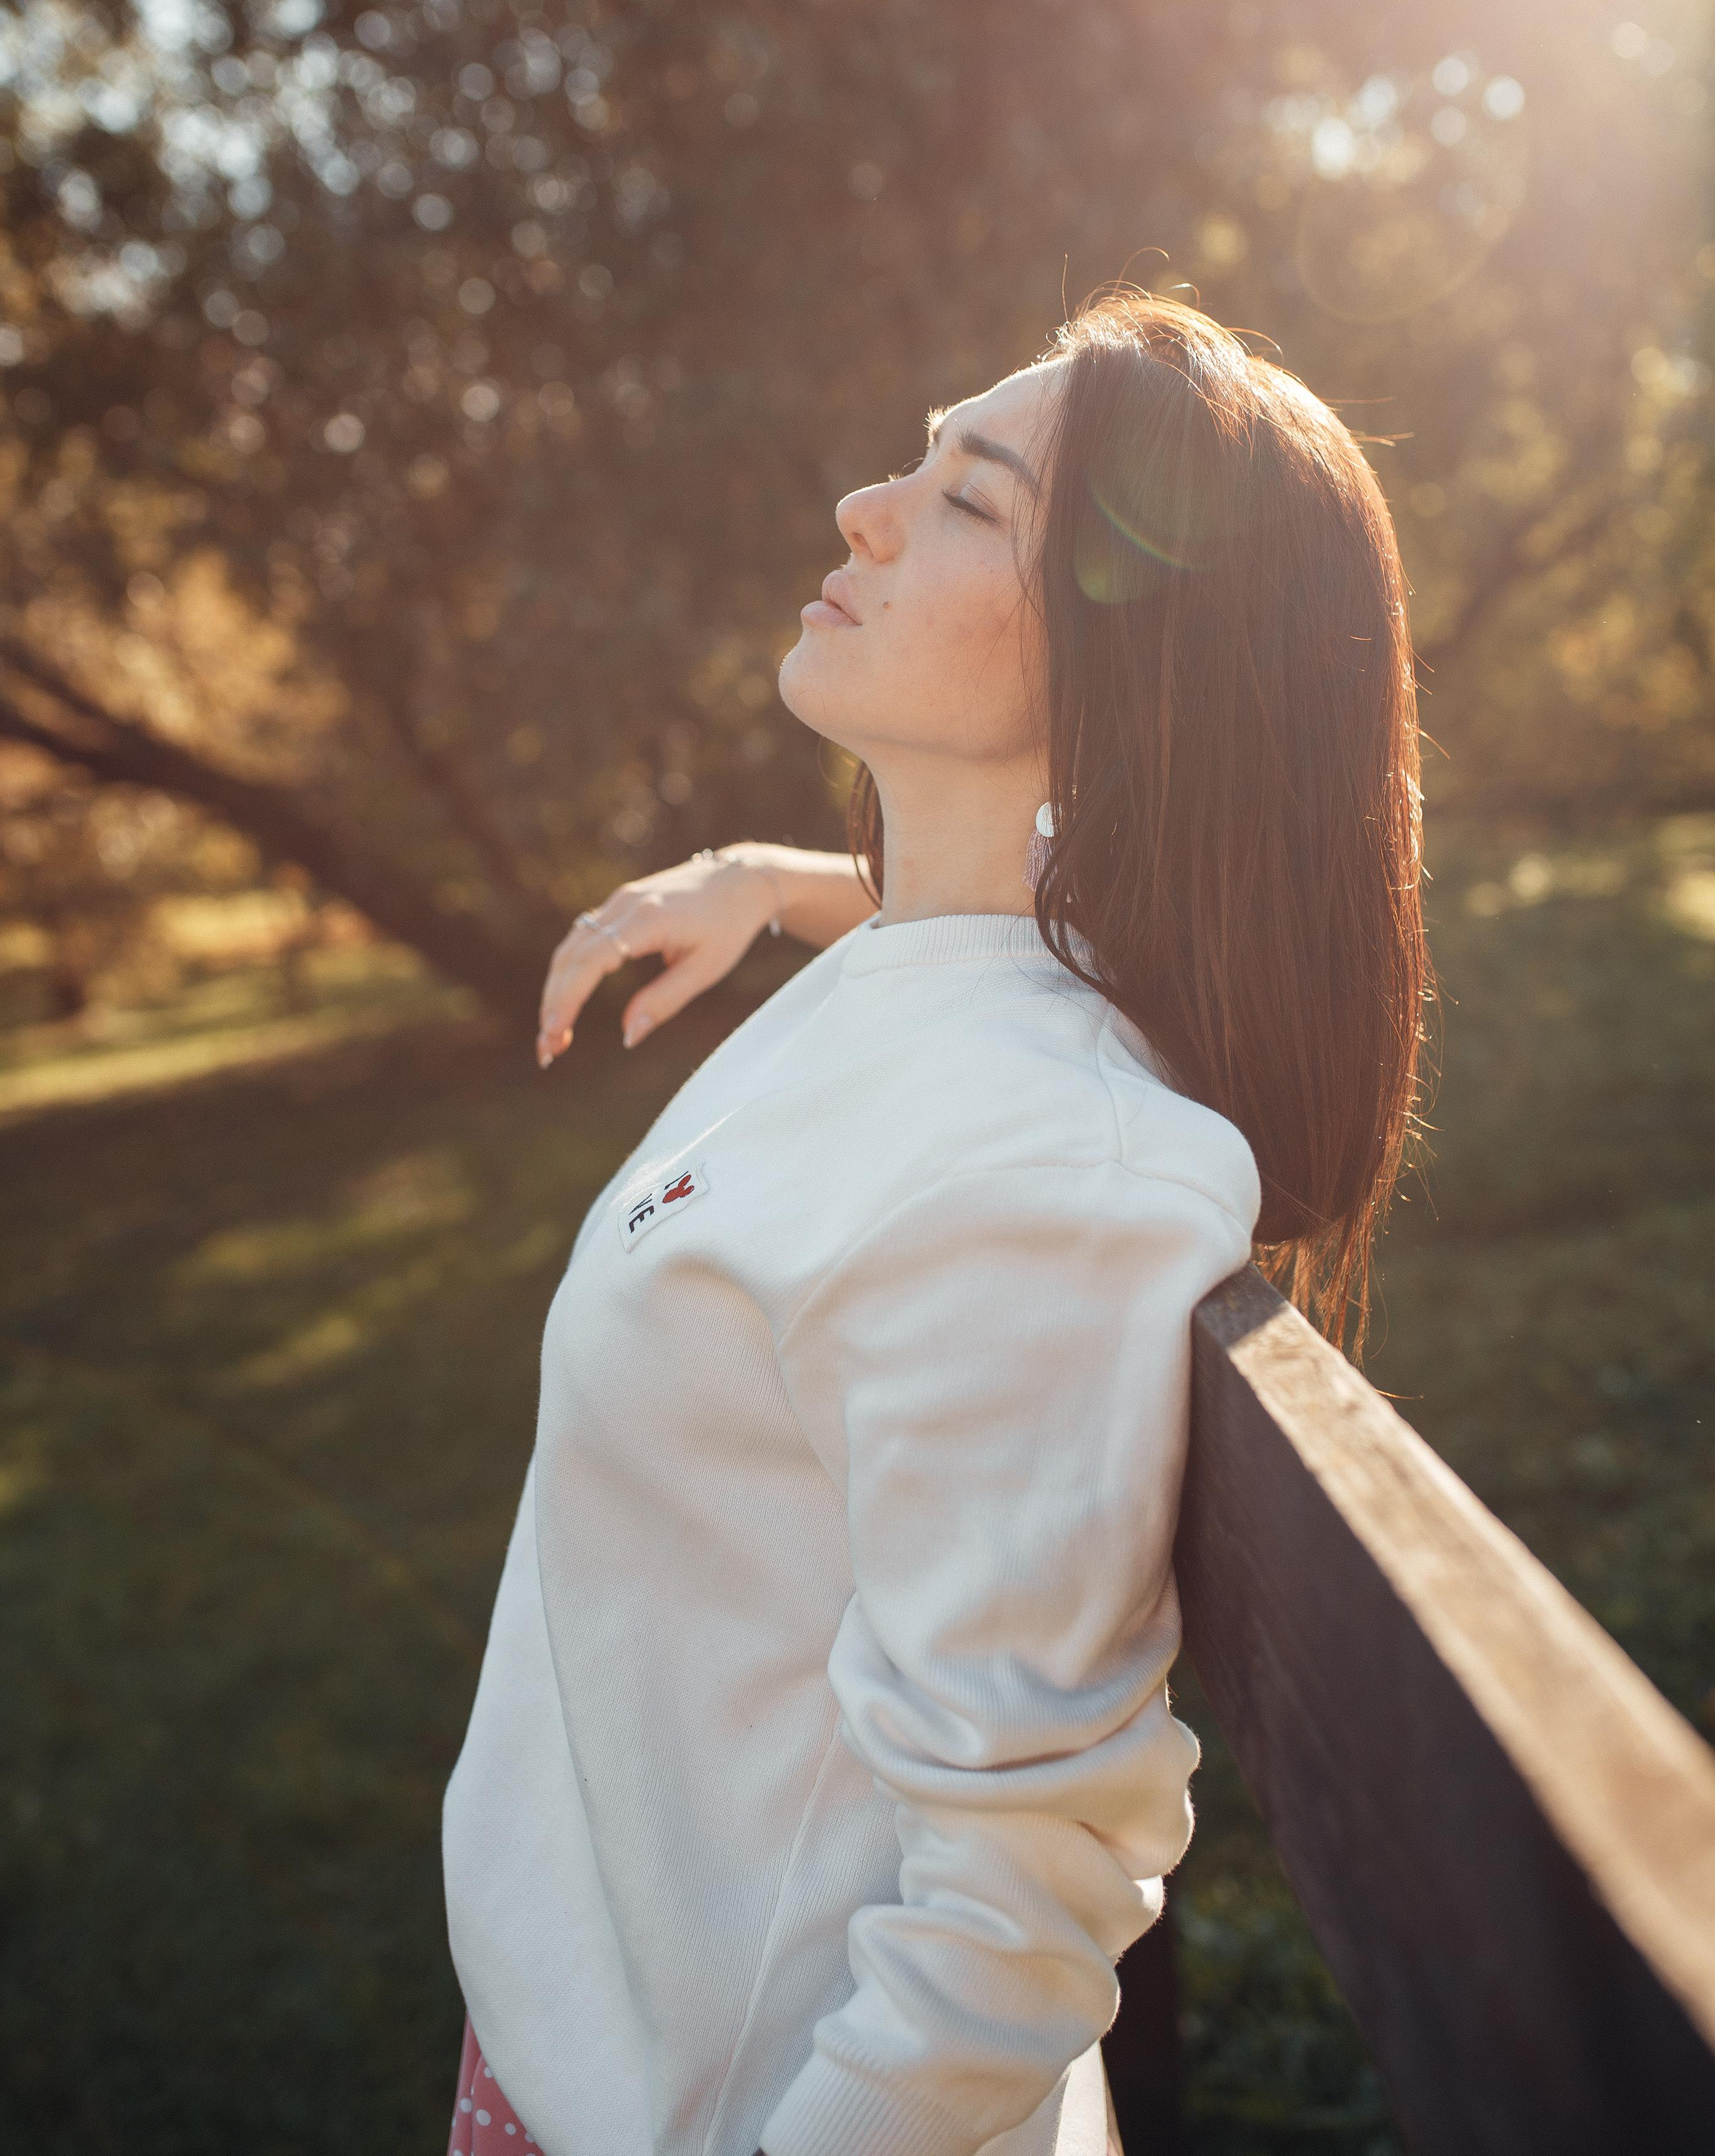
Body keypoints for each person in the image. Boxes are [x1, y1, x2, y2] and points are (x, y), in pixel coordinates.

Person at [441, 289, 1429, 2156]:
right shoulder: (948, 977)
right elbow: (998, 929)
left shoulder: (1042, 1179)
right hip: (569, 2043)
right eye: (920, 457)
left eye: (969, 503)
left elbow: (1013, 1909)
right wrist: (770, 878)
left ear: (1139, 679)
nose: (863, 511)